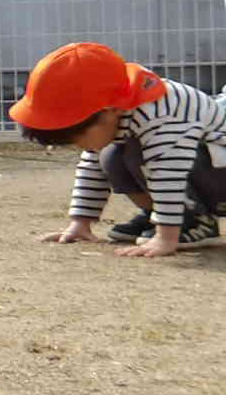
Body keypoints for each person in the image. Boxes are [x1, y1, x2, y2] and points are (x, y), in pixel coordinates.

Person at [12, 40, 226, 256]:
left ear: (109, 111)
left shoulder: (161, 115)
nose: (78, 146)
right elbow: (91, 166)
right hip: (205, 170)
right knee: (110, 156)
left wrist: (166, 238)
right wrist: (80, 223)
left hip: (216, 172)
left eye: (78, 137)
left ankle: (194, 223)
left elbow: (168, 173)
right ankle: (158, 214)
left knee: (138, 154)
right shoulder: (117, 108)